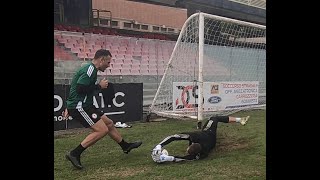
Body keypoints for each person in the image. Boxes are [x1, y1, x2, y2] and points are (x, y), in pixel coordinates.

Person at [63, 49, 142, 169]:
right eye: (108, 62)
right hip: (80, 106)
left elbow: (75, 87)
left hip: (86, 105)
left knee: (109, 123)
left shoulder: (91, 69)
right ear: (101, 60)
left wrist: (68, 104)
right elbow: (79, 88)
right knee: (102, 130)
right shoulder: (89, 69)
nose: (109, 65)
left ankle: (125, 146)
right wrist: (99, 86)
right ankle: (74, 153)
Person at [151, 115, 250, 163]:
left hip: (210, 138)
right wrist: (162, 149)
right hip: (209, 135)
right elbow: (183, 157)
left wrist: (166, 155)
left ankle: (240, 120)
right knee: (214, 118)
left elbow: (174, 138)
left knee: (213, 118)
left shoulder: (200, 149)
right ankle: (240, 120)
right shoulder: (199, 144)